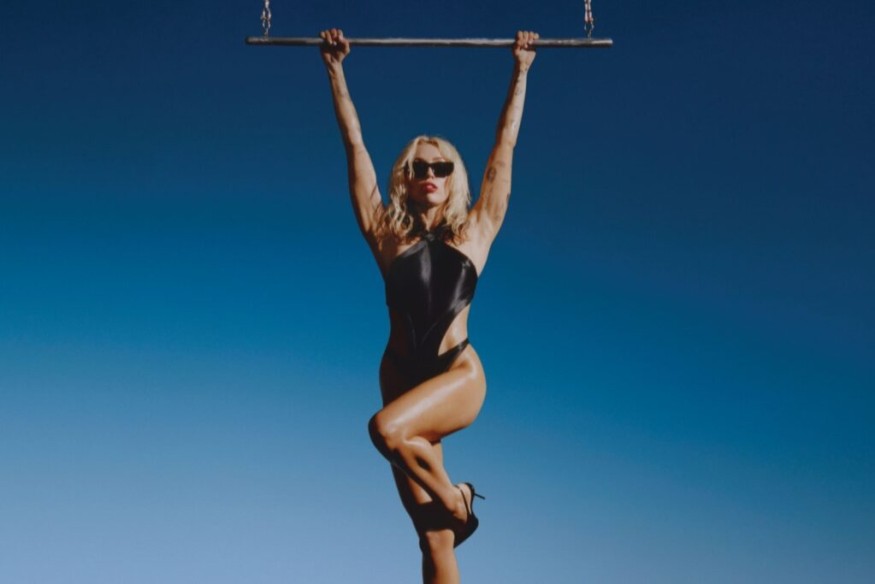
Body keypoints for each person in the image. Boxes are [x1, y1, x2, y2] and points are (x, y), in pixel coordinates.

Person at [320, 28, 538, 584]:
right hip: (399, 374)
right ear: (406, 177)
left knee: (386, 431)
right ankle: (451, 510)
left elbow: (504, 149)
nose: (431, 175)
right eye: (420, 167)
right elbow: (355, 147)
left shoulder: (475, 232)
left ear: (454, 175)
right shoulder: (386, 235)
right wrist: (335, 70)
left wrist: (521, 70)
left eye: (441, 167)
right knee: (432, 534)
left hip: (456, 373)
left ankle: (458, 501)